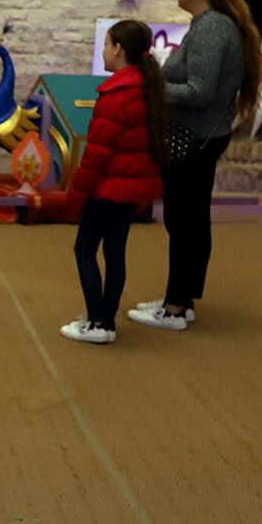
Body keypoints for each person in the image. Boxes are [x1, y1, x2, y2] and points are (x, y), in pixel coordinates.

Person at [128, 0, 262, 331]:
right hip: (201, 134)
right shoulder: (213, 25)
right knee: (188, 220)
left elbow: (200, 90)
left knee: (184, 221)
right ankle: (182, 300)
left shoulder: (211, 29)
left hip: (196, 137)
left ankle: (173, 307)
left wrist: (151, 87)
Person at [60, 20, 168, 344]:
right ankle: (106, 318)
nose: (104, 52)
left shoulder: (115, 95)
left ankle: (97, 322)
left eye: (106, 45)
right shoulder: (147, 90)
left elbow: (96, 155)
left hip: (105, 191)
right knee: (115, 253)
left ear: (119, 49)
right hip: (128, 194)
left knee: (84, 249)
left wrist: (75, 197)